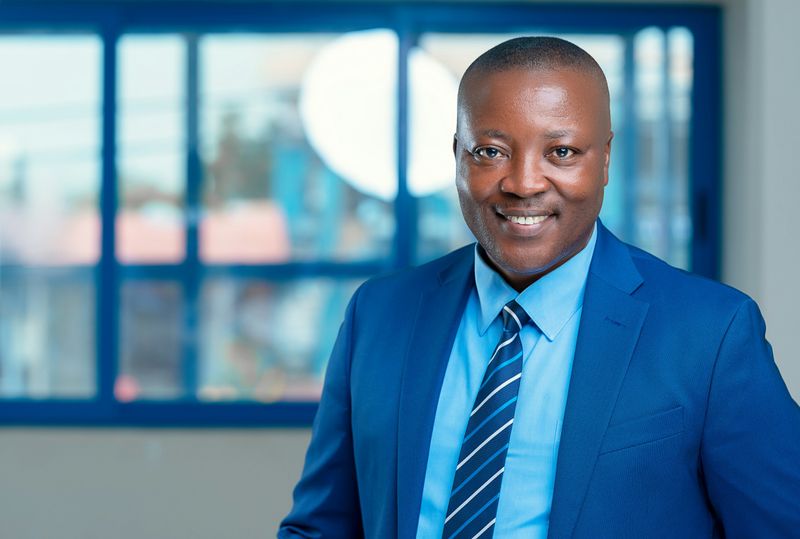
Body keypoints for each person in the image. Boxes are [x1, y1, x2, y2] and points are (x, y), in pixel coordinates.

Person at [278, 37, 800, 539]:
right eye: (490, 151)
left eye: (563, 152)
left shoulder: (709, 334)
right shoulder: (379, 314)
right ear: (456, 155)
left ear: (606, 160)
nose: (524, 183)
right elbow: (322, 526)